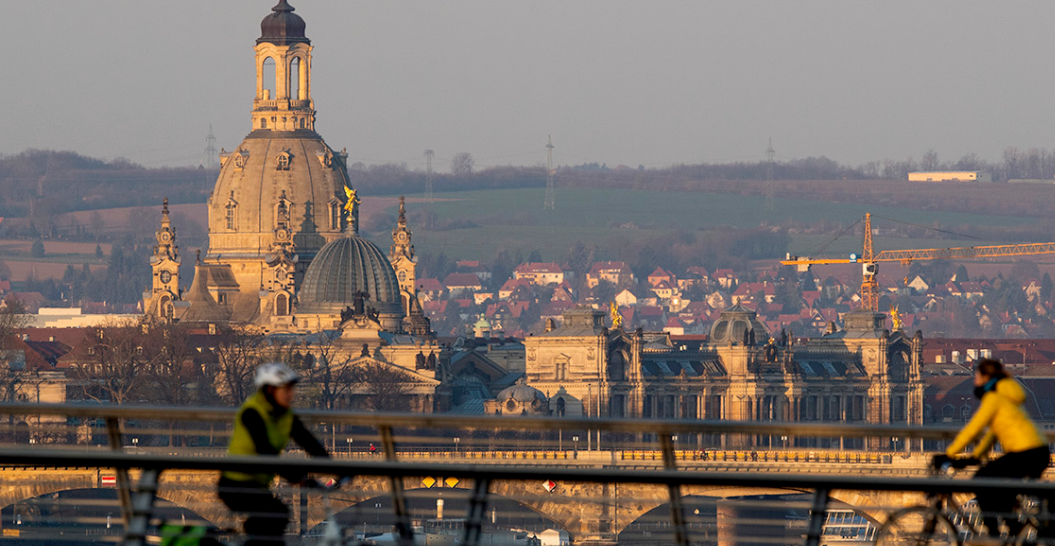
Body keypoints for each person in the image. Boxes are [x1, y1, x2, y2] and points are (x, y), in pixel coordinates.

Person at [933, 359, 1050, 538]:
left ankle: (995, 534)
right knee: (997, 488)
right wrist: (976, 456)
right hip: (1034, 452)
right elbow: (991, 435)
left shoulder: (994, 398)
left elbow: (973, 429)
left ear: (986, 377)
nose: (974, 381)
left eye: (977, 376)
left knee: (981, 480)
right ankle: (1012, 529)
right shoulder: (1005, 396)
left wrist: (949, 454)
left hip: (1027, 453)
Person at [217, 363, 331, 546]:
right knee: (276, 514)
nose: (291, 395)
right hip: (235, 484)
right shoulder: (252, 413)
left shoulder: (285, 416)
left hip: (257, 485)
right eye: (286, 390)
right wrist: (297, 478)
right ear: (270, 390)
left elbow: (309, 442)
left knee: (273, 519)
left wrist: (332, 464)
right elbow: (265, 451)